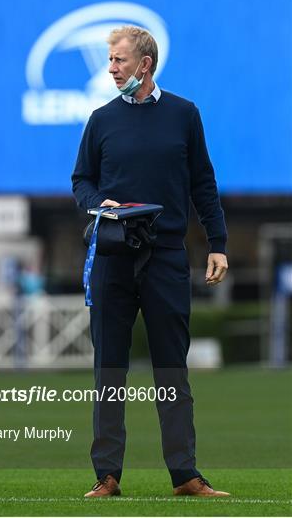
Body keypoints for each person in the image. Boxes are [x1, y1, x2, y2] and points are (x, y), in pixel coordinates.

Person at [71, 26, 230, 498]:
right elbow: (82, 181)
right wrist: (102, 204)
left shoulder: (184, 114)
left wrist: (217, 242)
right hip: (113, 258)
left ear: (144, 64)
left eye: (118, 60)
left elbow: (202, 182)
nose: (110, 67)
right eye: (110, 59)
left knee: (170, 370)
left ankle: (185, 475)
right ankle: (107, 475)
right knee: (109, 370)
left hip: (165, 258)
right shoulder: (100, 119)